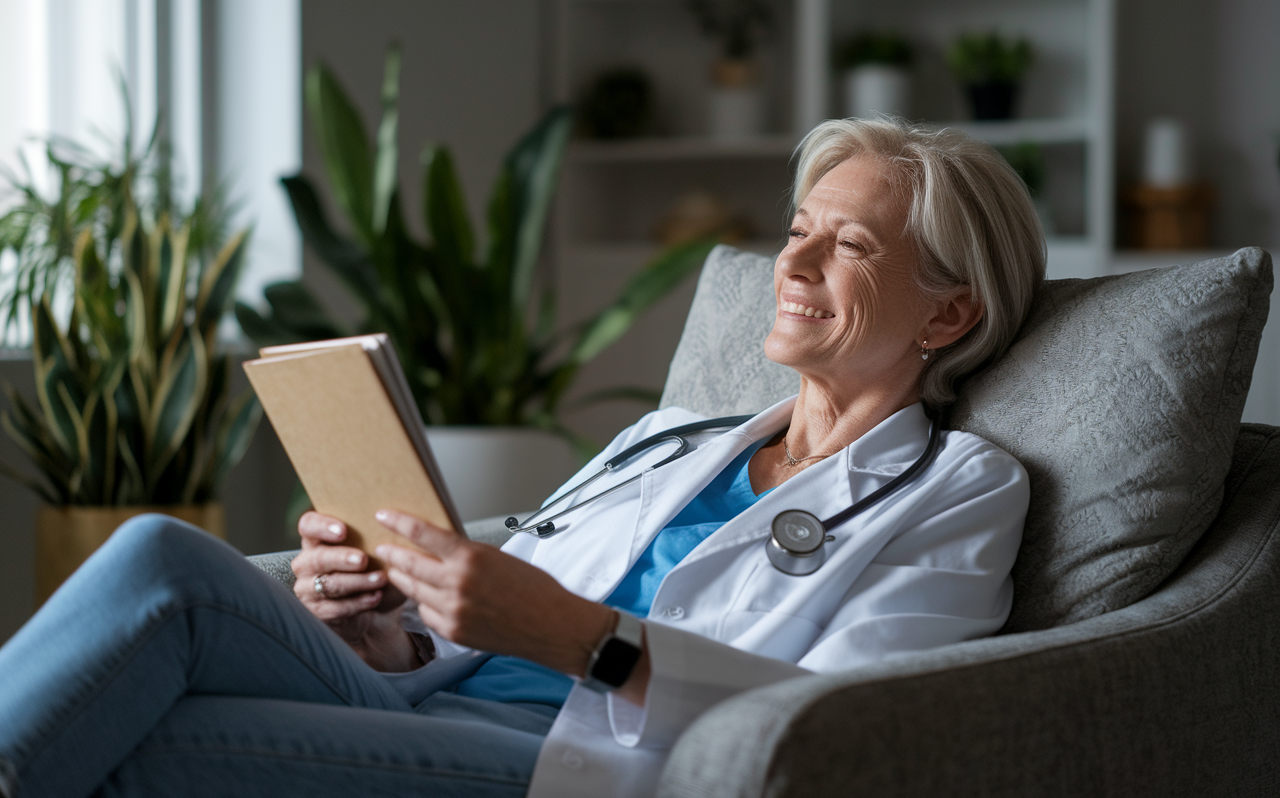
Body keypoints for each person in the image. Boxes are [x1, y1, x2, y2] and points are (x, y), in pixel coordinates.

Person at [0, 116, 1044, 798]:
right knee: (160, 558)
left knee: (153, 743)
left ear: (948, 312)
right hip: (423, 701)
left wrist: (584, 639)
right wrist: (386, 626)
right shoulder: (668, 436)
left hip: (567, 766)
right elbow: (481, 618)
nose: (793, 260)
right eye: (797, 229)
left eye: (848, 245)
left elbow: (851, 728)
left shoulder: (959, 488)